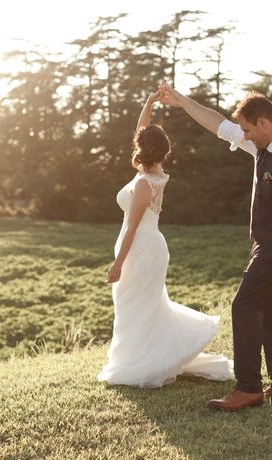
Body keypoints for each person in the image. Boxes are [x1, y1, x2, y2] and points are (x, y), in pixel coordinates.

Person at [160, 82, 272, 411]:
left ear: (264, 123)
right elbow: (217, 124)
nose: (244, 136)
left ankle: (248, 387)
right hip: (269, 244)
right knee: (271, 311)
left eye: (248, 130)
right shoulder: (261, 147)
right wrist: (181, 101)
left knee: (243, 306)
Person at [97, 89, 234, 388]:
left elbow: (132, 227)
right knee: (142, 307)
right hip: (148, 245)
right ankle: (142, 358)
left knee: (136, 307)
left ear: (142, 149)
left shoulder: (145, 183)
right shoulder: (153, 171)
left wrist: (117, 264)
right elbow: (140, 133)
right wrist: (147, 103)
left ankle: (138, 365)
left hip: (141, 249)